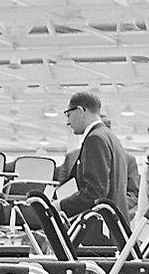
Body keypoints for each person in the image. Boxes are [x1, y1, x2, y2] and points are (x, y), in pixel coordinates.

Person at [55, 91, 129, 221]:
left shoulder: (95, 139)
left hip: (101, 228)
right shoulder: (109, 136)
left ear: (80, 110)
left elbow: (95, 192)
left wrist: (60, 205)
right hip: (114, 224)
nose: (68, 122)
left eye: (68, 114)